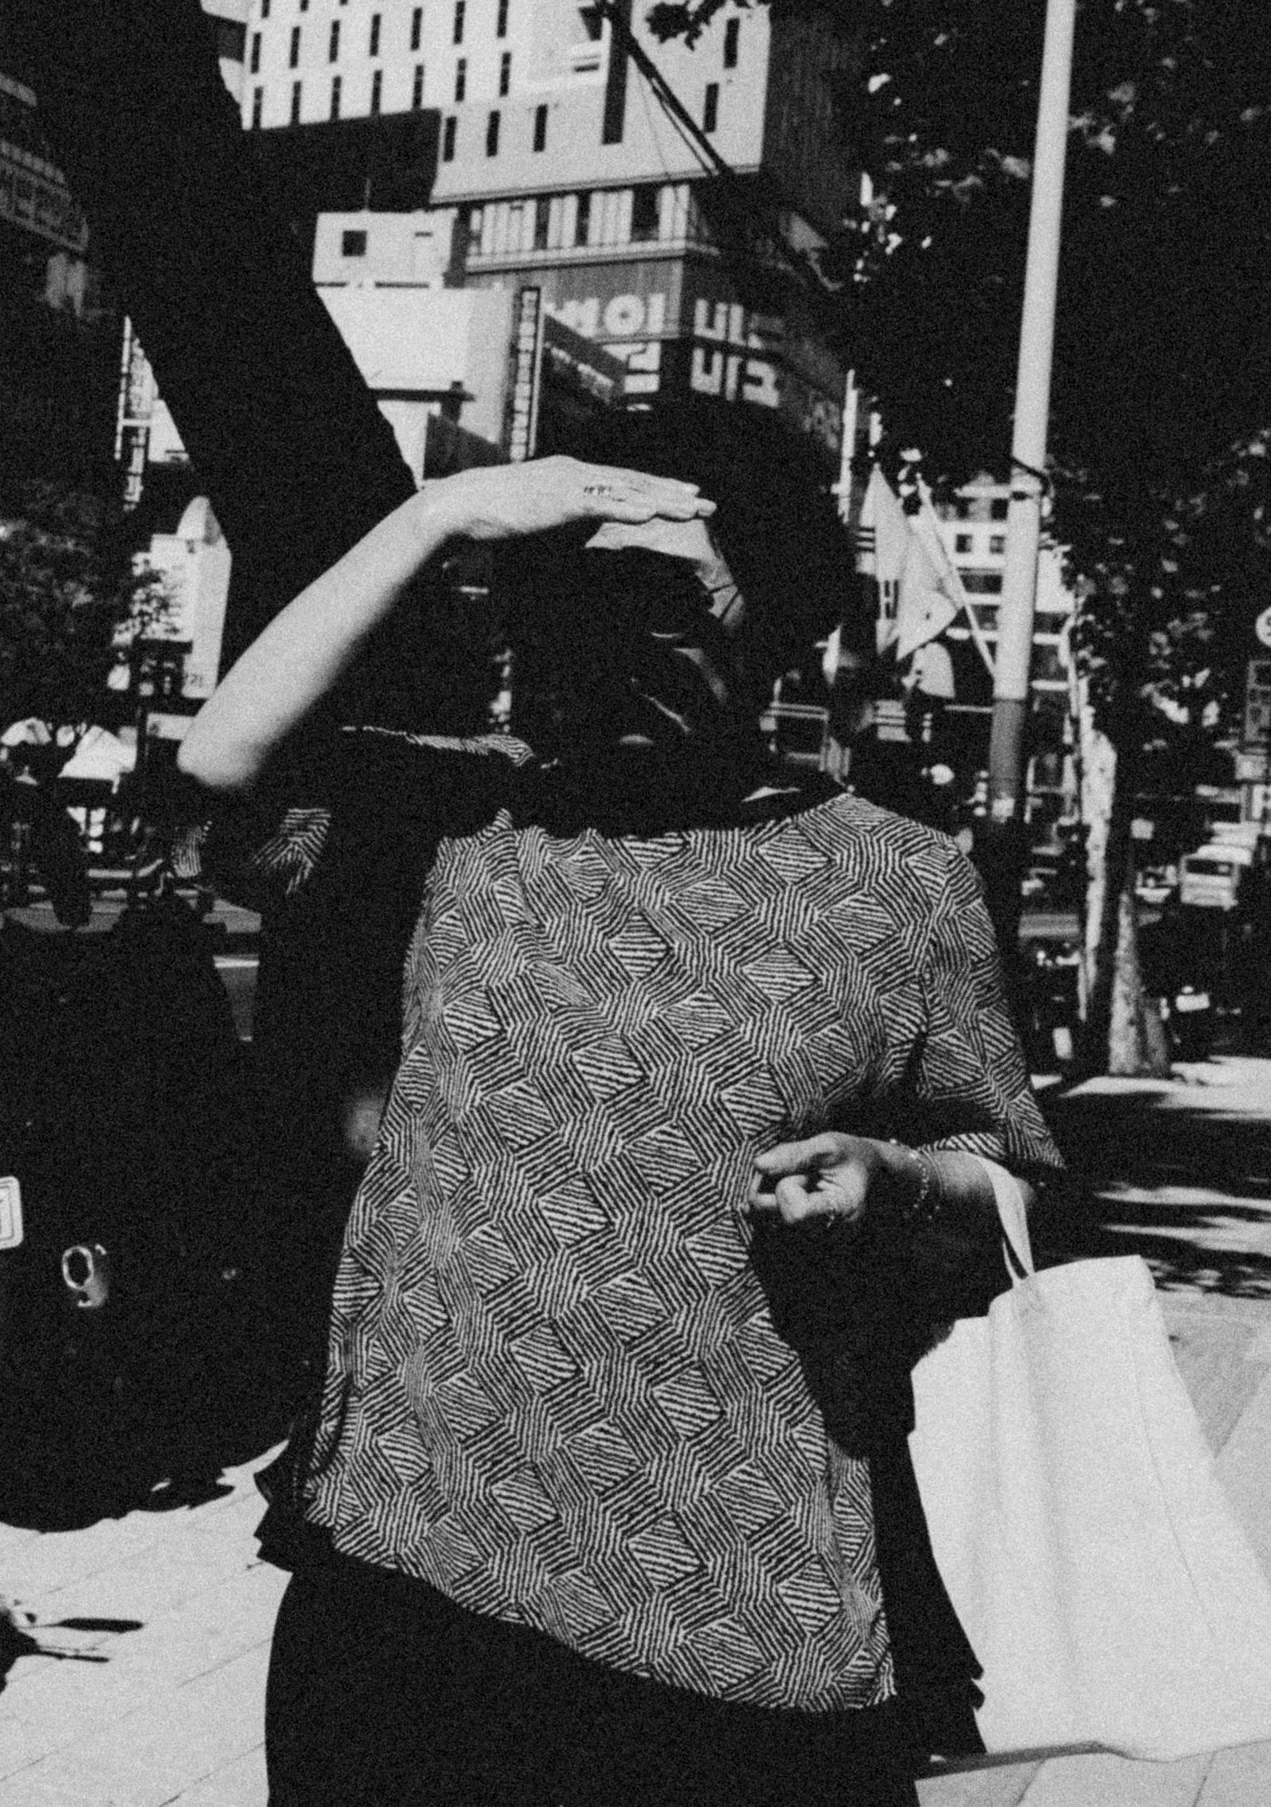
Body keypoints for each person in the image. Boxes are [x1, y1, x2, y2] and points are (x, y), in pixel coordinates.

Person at [178, 400, 1065, 1807]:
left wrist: (895, 1180)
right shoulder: (466, 819)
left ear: (769, 622)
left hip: (743, 1607)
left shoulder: (898, 879)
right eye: (583, 589)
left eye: (670, 595)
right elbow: (221, 762)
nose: (621, 631)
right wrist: (437, 516)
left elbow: (1006, 1183)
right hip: (412, 1568)